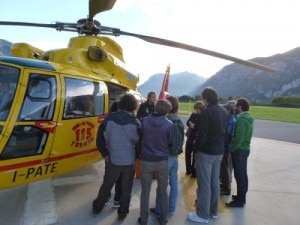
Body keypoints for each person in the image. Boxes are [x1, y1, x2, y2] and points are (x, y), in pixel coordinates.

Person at [92, 94, 141, 222]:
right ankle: (122, 212)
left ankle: (97, 208)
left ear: (121, 104)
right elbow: (139, 141)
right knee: (126, 188)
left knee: (107, 185)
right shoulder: (135, 121)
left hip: (113, 158)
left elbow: (100, 139)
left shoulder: (109, 119)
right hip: (129, 160)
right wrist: (136, 155)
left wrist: (105, 154)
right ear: (133, 106)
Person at [187, 87, 227, 224]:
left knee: (204, 184)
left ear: (205, 98)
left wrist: (196, 149)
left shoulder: (207, 112)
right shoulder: (223, 111)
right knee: (214, 182)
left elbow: (202, 135)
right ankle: (213, 212)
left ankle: (202, 215)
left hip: (206, 152)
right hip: (219, 151)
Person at [138, 99, 174, 225]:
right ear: (167, 111)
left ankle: (143, 220)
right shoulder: (169, 124)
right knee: (163, 191)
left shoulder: (145, 121)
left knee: (145, 191)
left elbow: (141, 136)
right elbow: (170, 142)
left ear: (156, 108)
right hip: (162, 160)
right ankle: (163, 219)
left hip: (147, 159)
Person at [150, 95, 184, 216]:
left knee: (161, 185)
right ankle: (171, 208)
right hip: (175, 156)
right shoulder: (179, 120)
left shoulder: (165, 122)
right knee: (174, 183)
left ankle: (159, 209)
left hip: (165, 157)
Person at [226, 98, 254, 208]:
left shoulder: (242, 120)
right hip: (245, 149)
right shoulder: (249, 117)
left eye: (236, 106)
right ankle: (241, 196)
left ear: (240, 107)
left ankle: (240, 200)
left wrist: (232, 149)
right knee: (243, 174)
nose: (235, 108)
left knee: (239, 175)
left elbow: (239, 138)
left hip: (239, 150)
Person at [220, 101, 237, 195]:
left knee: (225, 167)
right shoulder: (230, 119)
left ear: (229, 110)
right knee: (224, 167)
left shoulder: (231, 121)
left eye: (225, 109)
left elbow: (227, 135)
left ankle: (226, 188)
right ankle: (224, 185)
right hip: (225, 146)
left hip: (226, 147)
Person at [185, 101, 205, 177]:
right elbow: (187, 122)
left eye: (198, 109)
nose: (196, 110)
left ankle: (194, 171)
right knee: (187, 153)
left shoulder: (203, 116)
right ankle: (188, 170)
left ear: (201, 109)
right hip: (190, 137)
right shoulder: (193, 114)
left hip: (197, 138)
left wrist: (194, 126)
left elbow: (202, 127)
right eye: (195, 109)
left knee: (195, 156)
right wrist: (190, 124)